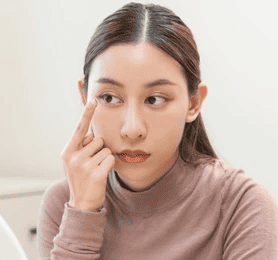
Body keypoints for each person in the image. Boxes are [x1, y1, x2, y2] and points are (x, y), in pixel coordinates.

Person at [37, 2, 278, 259]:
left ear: (193, 103)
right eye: (109, 98)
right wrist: (82, 214)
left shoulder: (242, 205)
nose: (132, 129)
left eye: (154, 99)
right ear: (85, 98)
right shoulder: (64, 202)